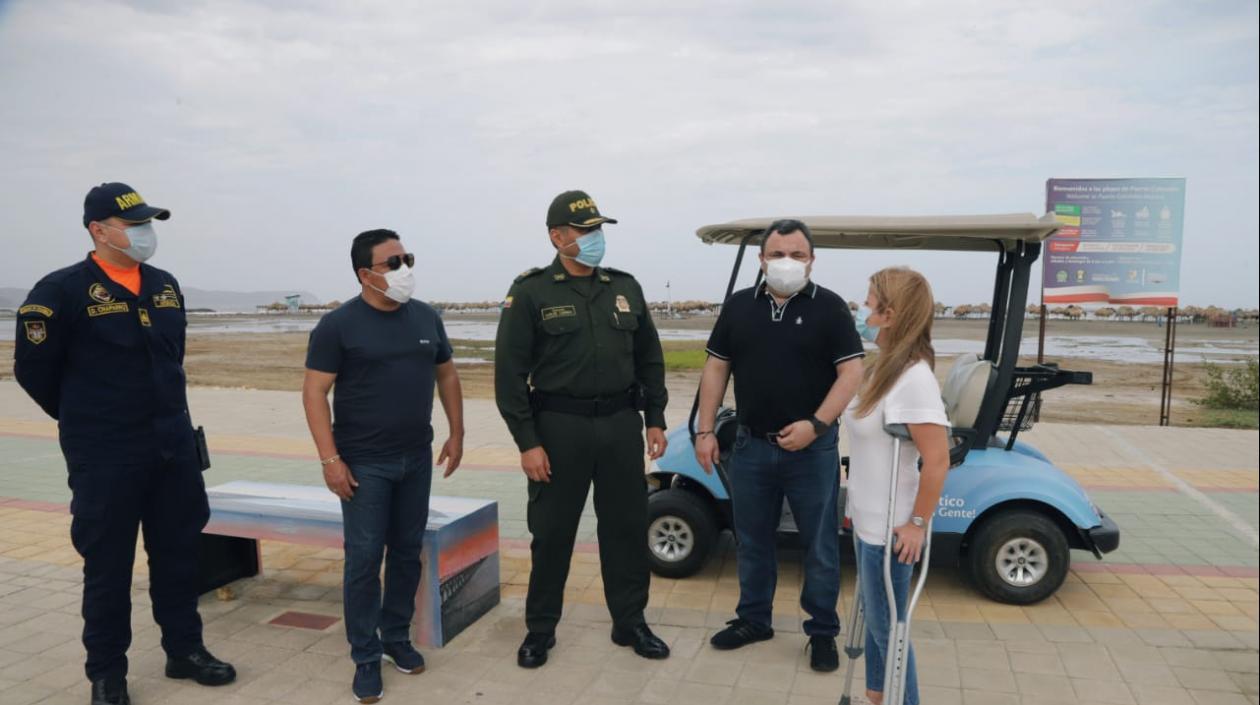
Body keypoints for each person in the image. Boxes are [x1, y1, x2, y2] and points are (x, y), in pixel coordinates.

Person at [13, 182, 236, 705]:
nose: (145, 232)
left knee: (180, 555)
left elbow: (170, 357)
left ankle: (185, 650)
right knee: (108, 565)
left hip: (172, 448)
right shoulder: (60, 291)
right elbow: (34, 372)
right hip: (107, 454)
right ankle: (107, 673)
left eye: (147, 223)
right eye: (134, 224)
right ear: (98, 230)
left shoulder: (163, 285)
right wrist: (90, 421)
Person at [494, 190, 671, 668]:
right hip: (558, 429)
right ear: (558, 236)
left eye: (599, 229)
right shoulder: (531, 291)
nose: (596, 238)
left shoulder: (625, 287)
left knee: (627, 529)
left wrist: (655, 417)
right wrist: (527, 442)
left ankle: (630, 621)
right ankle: (540, 628)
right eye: (586, 230)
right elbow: (508, 376)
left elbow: (649, 358)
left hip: (619, 425)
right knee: (552, 533)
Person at [303, 229, 465, 704]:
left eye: (406, 258)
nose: (403, 269)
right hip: (363, 464)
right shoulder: (338, 326)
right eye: (392, 263)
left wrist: (457, 432)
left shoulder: (426, 317)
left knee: (406, 550)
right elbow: (315, 393)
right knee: (364, 559)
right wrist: (330, 459)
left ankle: (395, 637)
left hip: (416, 457)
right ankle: (365, 656)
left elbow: (447, 373)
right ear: (364, 274)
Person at [695, 218, 864, 672]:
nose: (786, 262)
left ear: (812, 260)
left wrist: (817, 423)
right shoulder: (738, 307)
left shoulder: (829, 308)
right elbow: (716, 368)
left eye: (796, 254)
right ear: (761, 259)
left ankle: (823, 631)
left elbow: (852, 372)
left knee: (820, 546)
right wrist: (704, 429)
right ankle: (753, 619)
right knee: (752, 540)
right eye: (776, 254)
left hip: (812, 450)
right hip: (751, 447)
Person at [843, 266, 950, 705]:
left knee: (891, 636)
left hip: (890, 532)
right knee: (875, 628)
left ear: (889, 314)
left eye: (868, 304)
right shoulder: (884, 368)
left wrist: (917, 524)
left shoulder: (914, 379)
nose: (862, 311)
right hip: (866, 521)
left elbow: (938, 460)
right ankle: (876, 696)